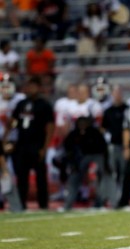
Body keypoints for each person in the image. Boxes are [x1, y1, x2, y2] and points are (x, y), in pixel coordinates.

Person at [4, 76, 54, 210]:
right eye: (28, 86)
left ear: (38, 88)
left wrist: (45, 147)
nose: (30, 89)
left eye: (33, 86)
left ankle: (43, 205)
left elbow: (50, 127)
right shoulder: (21, 104)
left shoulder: (44, 105)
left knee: (41, 178)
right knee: (21, 178)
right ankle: (21, 205)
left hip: (37, 146)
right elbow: (13, 123)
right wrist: (6, 139)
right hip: (21, 146)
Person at [60, 116, 110, 211]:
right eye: (80, 123)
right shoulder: (74, 134)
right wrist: (73, 163)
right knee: (74, 178)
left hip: (96, 156)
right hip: (81, 158)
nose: (82, 125)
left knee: (98, 176)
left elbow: (104, 148)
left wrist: (106, 164)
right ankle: (68, 204)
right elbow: (67, 148)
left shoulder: (94, 133)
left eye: (84, 123)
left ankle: (100, 202)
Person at [101, 84, 127, 207]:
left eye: (119, 93)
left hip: (124, 146)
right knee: (112, 173)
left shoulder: (127, 109)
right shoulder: (108, 111)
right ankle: (112, 199)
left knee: (123, 173)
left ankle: (121, 198)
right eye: (115, 93)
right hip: (112, 146)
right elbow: (103, 129)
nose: (117, 96)